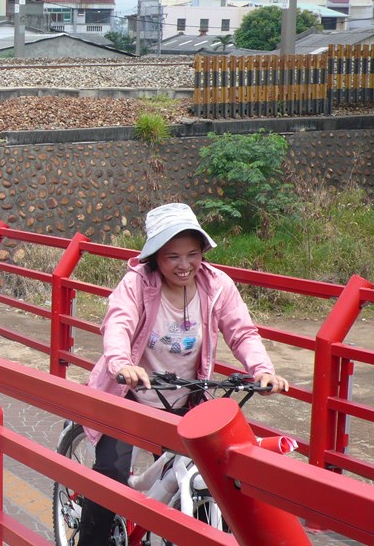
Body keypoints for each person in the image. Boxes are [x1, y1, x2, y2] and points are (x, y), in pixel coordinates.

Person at [79, 202, 290, 545]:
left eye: (193, 254)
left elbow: (242, 332)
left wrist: (262, 371)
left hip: (184, 395)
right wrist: (122, 364)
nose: (184, 265)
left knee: (204, 478)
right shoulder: (137, 284)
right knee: (111, 476)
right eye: (172, 256)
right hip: (131, 395)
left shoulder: (217, 285)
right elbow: (117, 323)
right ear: (155, 257)